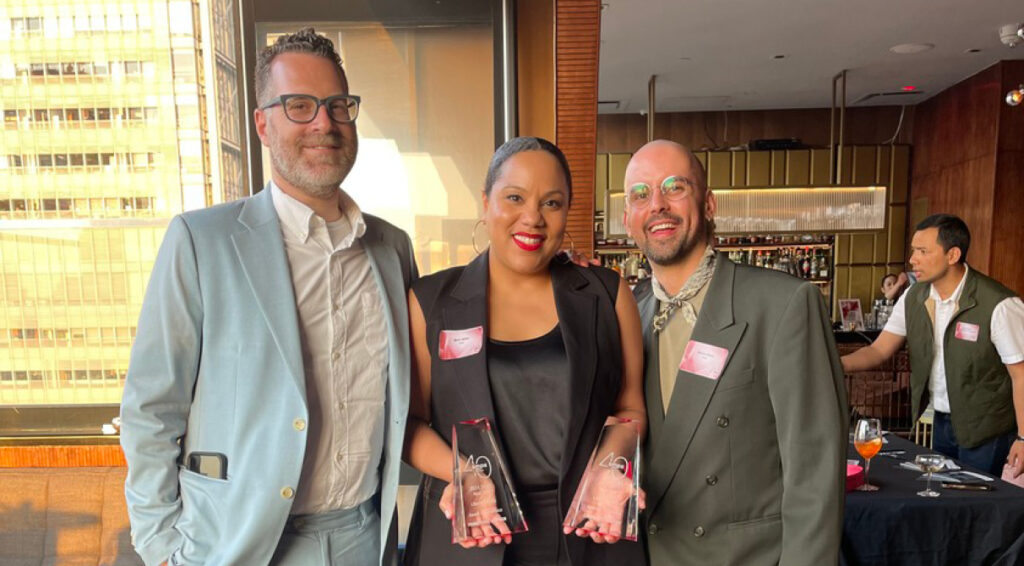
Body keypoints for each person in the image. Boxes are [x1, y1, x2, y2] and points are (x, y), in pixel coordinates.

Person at [120, 29, 417, 566]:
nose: (323, 123)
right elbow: (151, 407)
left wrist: (556, 271)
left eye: (337, 106)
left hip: (363, 537)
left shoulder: (392, 249)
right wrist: (160, 545)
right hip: (235, 544)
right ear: (262, 123)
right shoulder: (201, 241)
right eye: (299, 106)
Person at [402, 137, 647, 566]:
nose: (532, 218)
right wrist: (461, 475)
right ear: (486, 202)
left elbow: (631, 409)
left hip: (591, 532)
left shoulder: (606, 294)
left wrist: (611, 464)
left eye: (552, 203)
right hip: (473, 534)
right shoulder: (430, 302)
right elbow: (408, 425)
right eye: (514, 197)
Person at [625, 140, 847, 566]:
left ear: (707, 204)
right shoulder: (626, 316)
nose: (657, 205)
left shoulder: (783, 304)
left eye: (675, 187)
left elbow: (815, 474)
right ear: (627, 219)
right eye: (641, 194)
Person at [842, 214, 1024, 476]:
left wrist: (1023, 438)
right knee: (942, 497)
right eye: (914, 250)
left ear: (952, 255)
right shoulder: (914, 297)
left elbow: (1020, 375)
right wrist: (835, 364)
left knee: (976, 505)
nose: (912, 259)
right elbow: (878, 350)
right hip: (941, 421)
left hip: (988, 428)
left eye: (922, 251)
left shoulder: (999, 305)